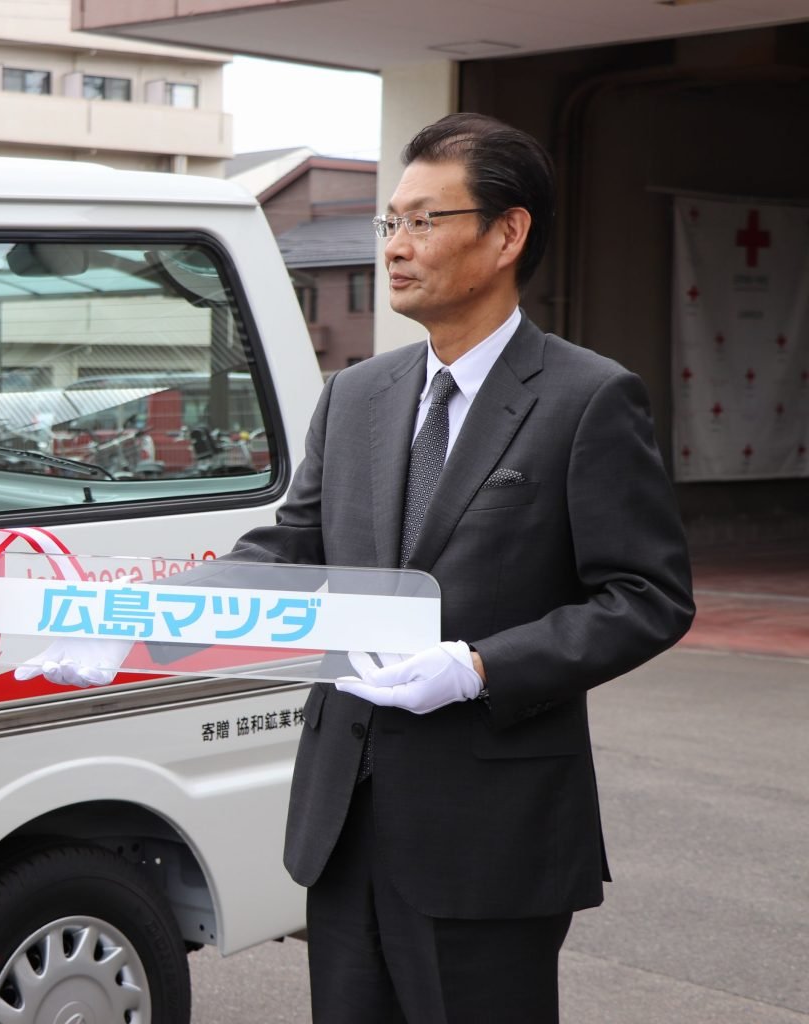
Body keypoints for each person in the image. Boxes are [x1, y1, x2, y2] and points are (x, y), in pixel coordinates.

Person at [225, 112, 696, 1021]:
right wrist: (128, 623)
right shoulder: (356, 395)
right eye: (389, 224)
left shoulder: (587, 398)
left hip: (491, 834)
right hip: (346, 819)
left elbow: (646, 598)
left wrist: (481, 667)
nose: (397, 247)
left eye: (424, 221)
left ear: (507, 233)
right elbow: (289, 548)